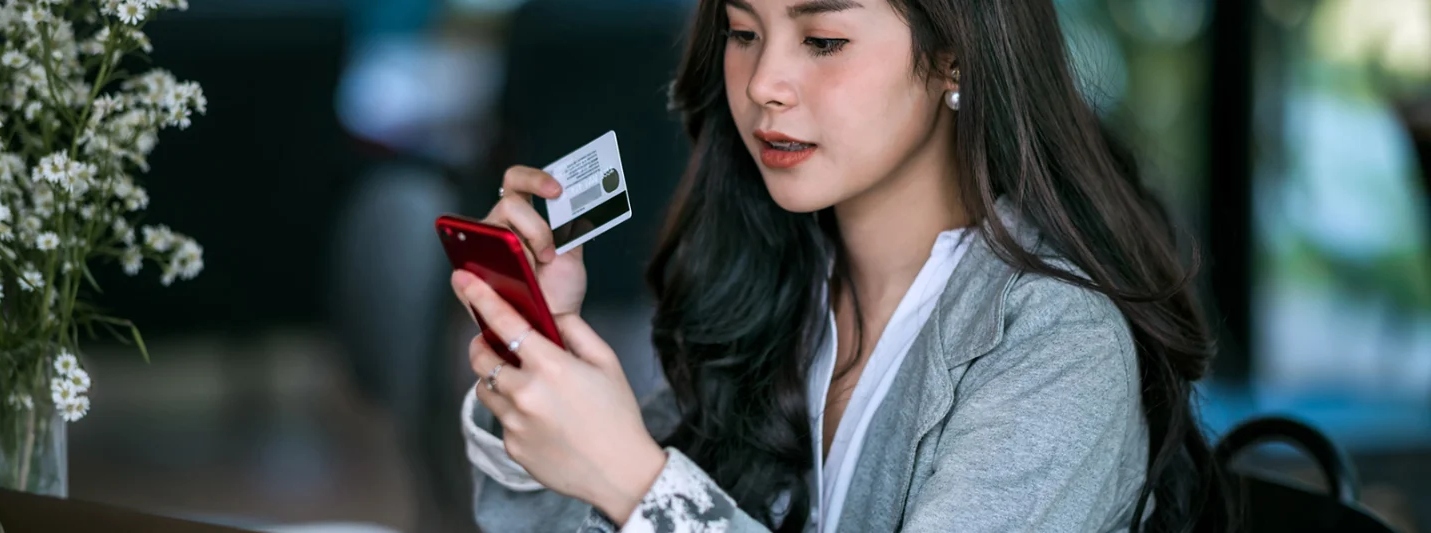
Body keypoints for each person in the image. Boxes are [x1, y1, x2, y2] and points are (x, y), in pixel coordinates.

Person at [448, 0, 1236, 531]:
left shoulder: (1061, 344)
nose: (763, 85)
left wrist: (638, 485)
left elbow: (627, 491)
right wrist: (538, 341)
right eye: (743, 32)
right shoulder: (779, 291)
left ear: (954, 58)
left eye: (823, 40)